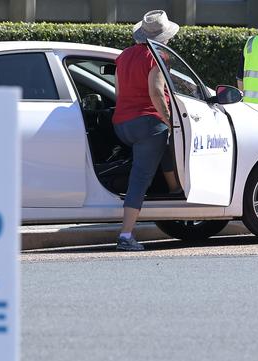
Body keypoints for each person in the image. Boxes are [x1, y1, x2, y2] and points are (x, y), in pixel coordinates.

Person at [112, 10, 181, 251]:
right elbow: (155, 91)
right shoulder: (158, 55)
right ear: (163, 37)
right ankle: (126, 235)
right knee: (140, 179)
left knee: (163, 146)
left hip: (122, 124)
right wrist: (170, 120)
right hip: (147, 123)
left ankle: (174, 189)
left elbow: (119, 93)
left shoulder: (124, 56)